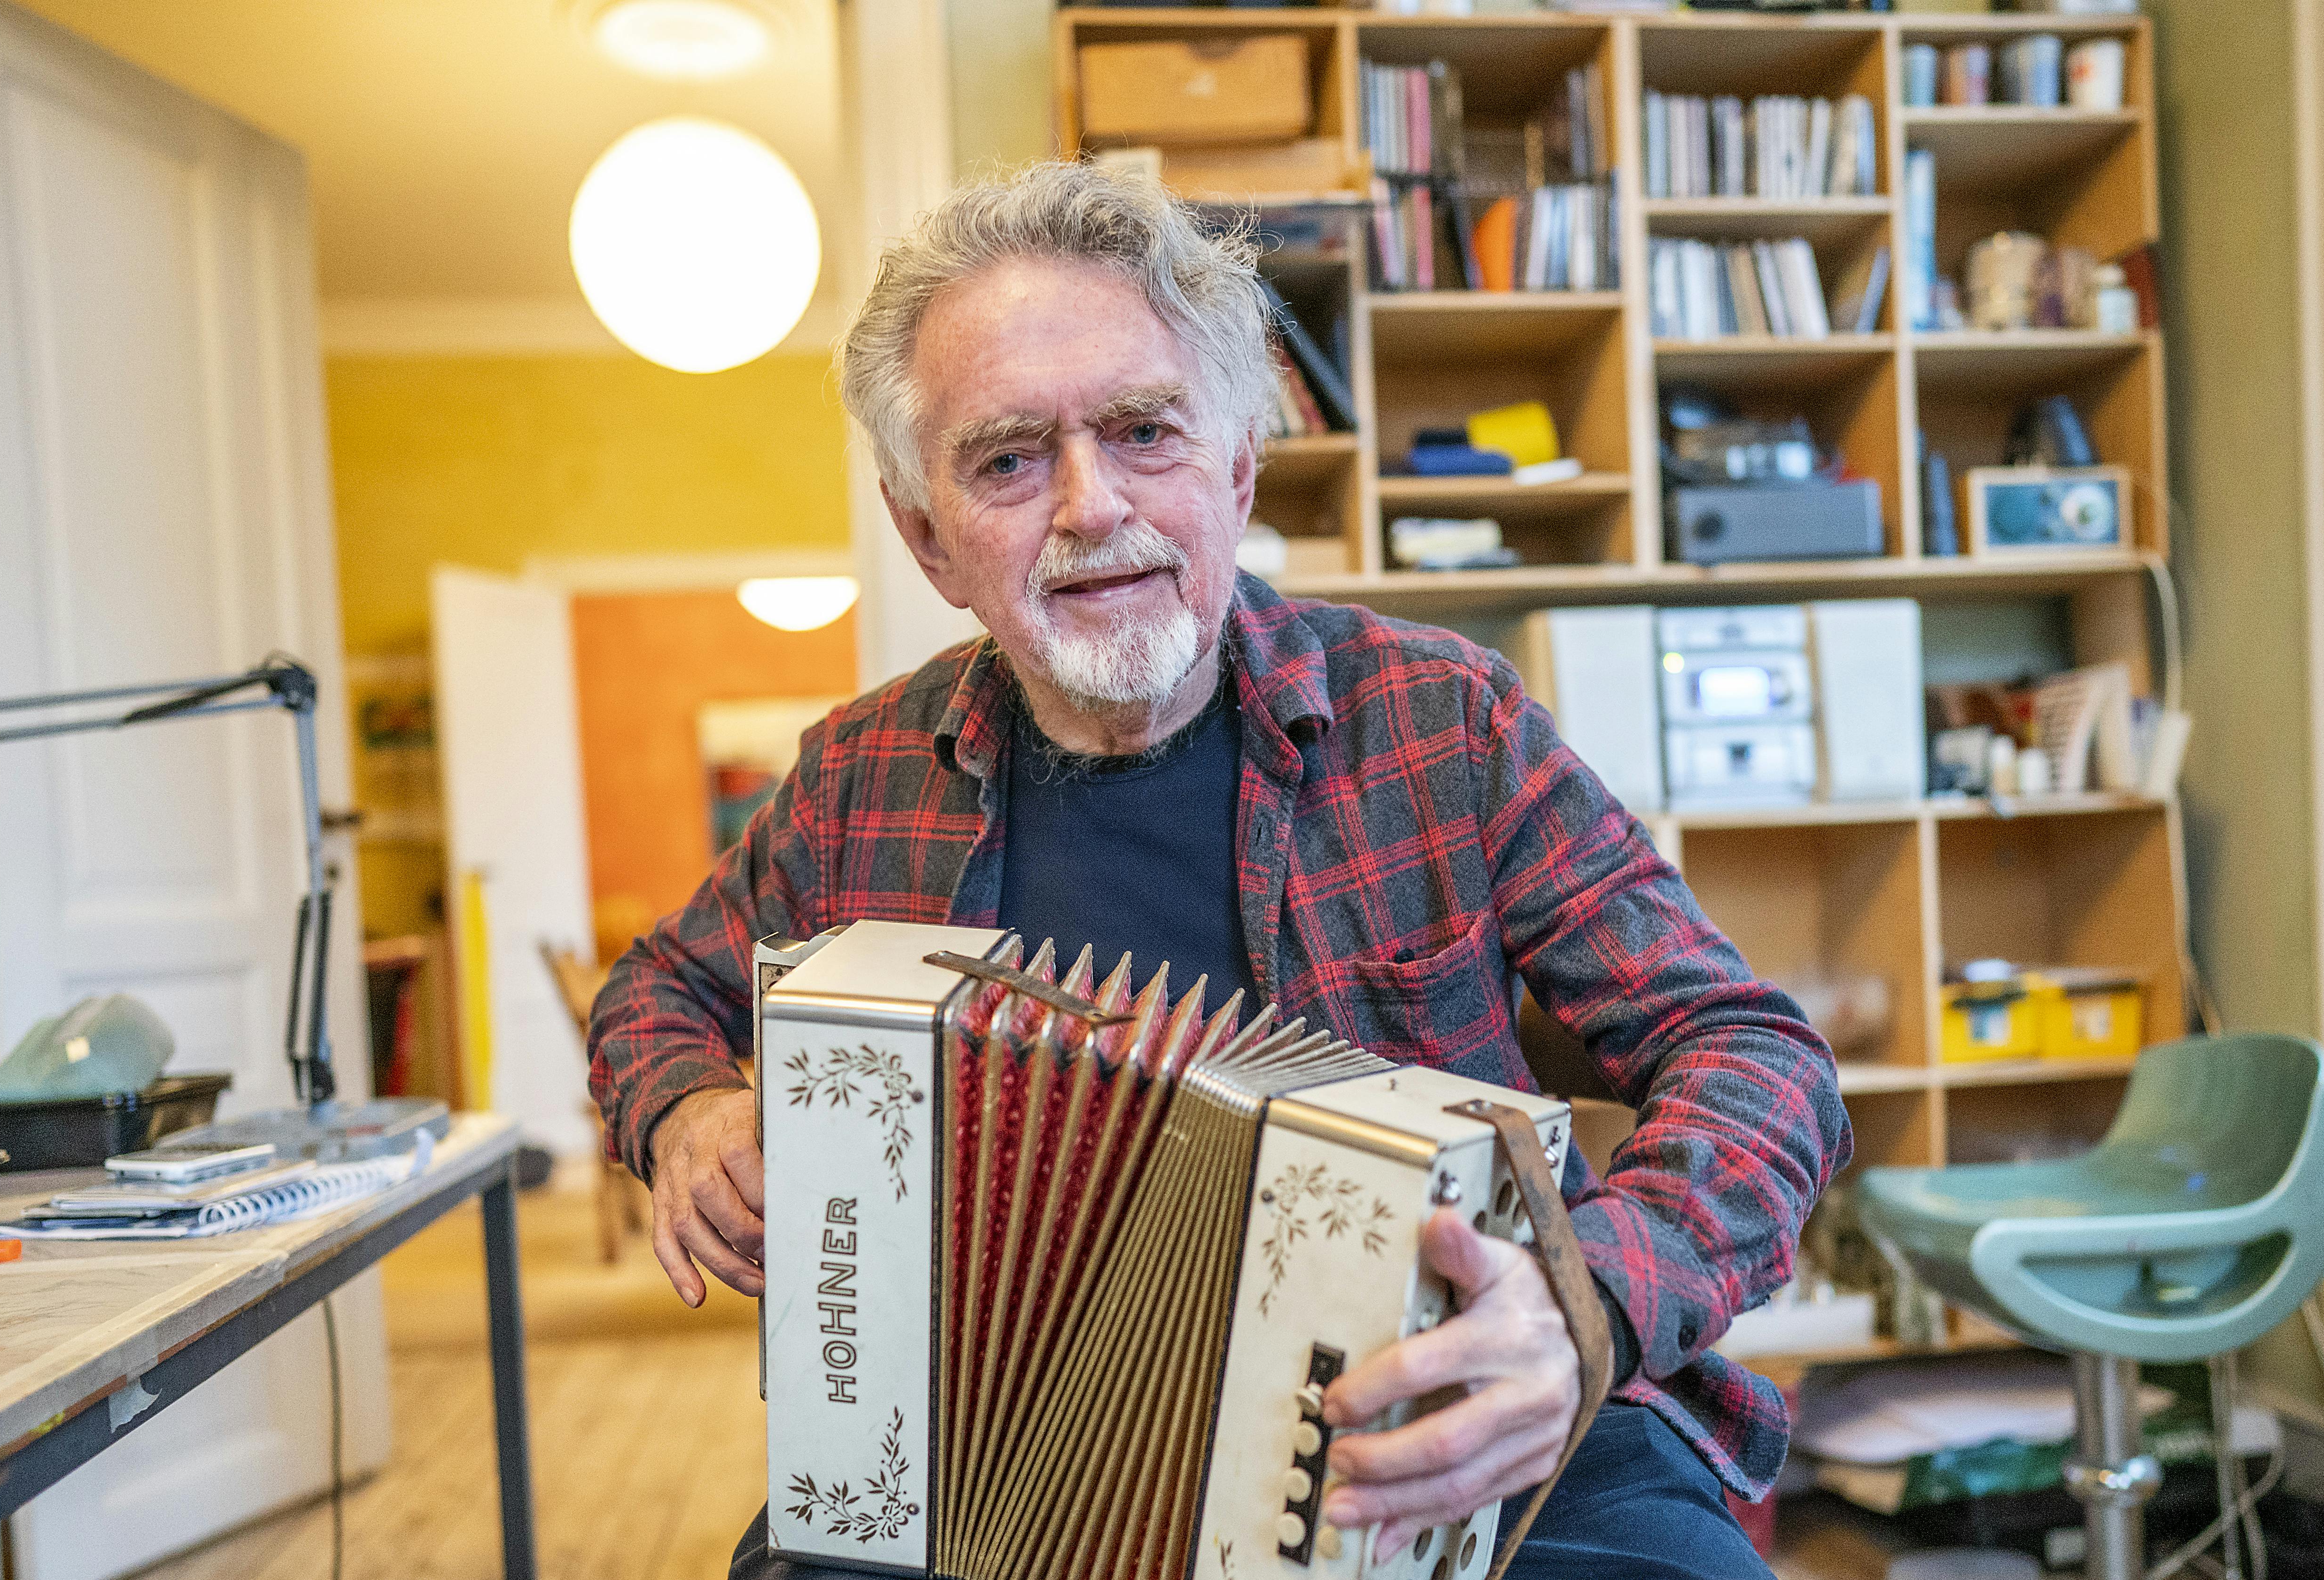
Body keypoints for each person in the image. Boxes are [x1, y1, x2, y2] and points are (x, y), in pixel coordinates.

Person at [590, 160, 1851, 1580]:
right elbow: (657, 987)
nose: (1087, 505)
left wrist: (1583, 1307)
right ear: (930, 539)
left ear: (1238, 471)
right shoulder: (856, 780)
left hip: (1437, 1419)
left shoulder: (1445, 720)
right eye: (1008, 459)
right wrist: (686, 1107)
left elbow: (1756, 1054)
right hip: (983, 1454)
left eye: (1144, 432)